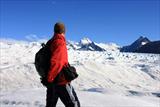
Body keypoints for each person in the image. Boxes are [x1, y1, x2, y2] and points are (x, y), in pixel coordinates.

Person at [42, 22, 80, 107]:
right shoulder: (60, 42)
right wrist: (49, 78)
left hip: (51, 83)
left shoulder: (51, 42)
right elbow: (57, 62)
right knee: (74, 104)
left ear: (54, 31)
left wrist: (48, 79)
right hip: (61, 81)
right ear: (64, 31)